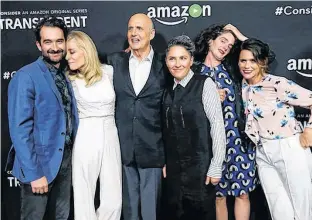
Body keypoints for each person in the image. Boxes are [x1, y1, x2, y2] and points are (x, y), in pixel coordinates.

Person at [6, 16, 79, 220]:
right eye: (48, 42)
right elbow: (20, 130)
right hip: (39, 165)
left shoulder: (64, 74)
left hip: (65, 162)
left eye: (59, 41)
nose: (55, 47)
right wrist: (34, 173)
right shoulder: (26, 76)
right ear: (39, 45)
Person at [239, 38, 312, 220]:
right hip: (263, 151)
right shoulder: (244, 84)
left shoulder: (277, 84)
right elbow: (254, 47)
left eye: (253, 61)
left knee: (301, 206)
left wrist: (309, 129)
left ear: (262, 62)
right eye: (243, 60)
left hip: (288, 147)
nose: (247, 65)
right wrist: (238, 34)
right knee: (278, 208)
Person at [106, 13, 169, 220]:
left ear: (151, 33)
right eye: (131, 28)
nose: (134, 33)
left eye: (139, 28)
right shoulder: (114, 61)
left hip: (153, 148)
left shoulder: (166, 63)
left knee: (151, 213)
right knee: (129, 212)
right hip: (122, 150)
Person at [193, 24, 258, 220]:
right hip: (211, 145)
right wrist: (206, 97)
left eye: (230, 45)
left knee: (242, 193)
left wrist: (238, 35)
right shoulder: (193, 70)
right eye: (223, 41)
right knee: (218, 196)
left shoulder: (233, 68)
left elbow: (261, 55)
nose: (226, 47)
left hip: (238, 142)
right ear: (210, 40)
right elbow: (184, 105)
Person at [162, 35, 226, 220]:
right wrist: (165, 161)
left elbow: (217, 125)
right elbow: (166, 132)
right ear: (166, 62)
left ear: (191, 60)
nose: (177, 63)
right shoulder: (167, 91)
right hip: (174, 171)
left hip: (200, 168)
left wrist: (216, 165)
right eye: (172, 58)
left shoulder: (204, 84)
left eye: (182, 58)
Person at [66, 30, 122, 220]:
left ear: (85, 50)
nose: (68, 57)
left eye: (72, 52)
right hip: (85, 135)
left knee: (114, 200)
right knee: (83, 195)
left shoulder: (109, 72)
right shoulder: (69, 80)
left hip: (110, 134)